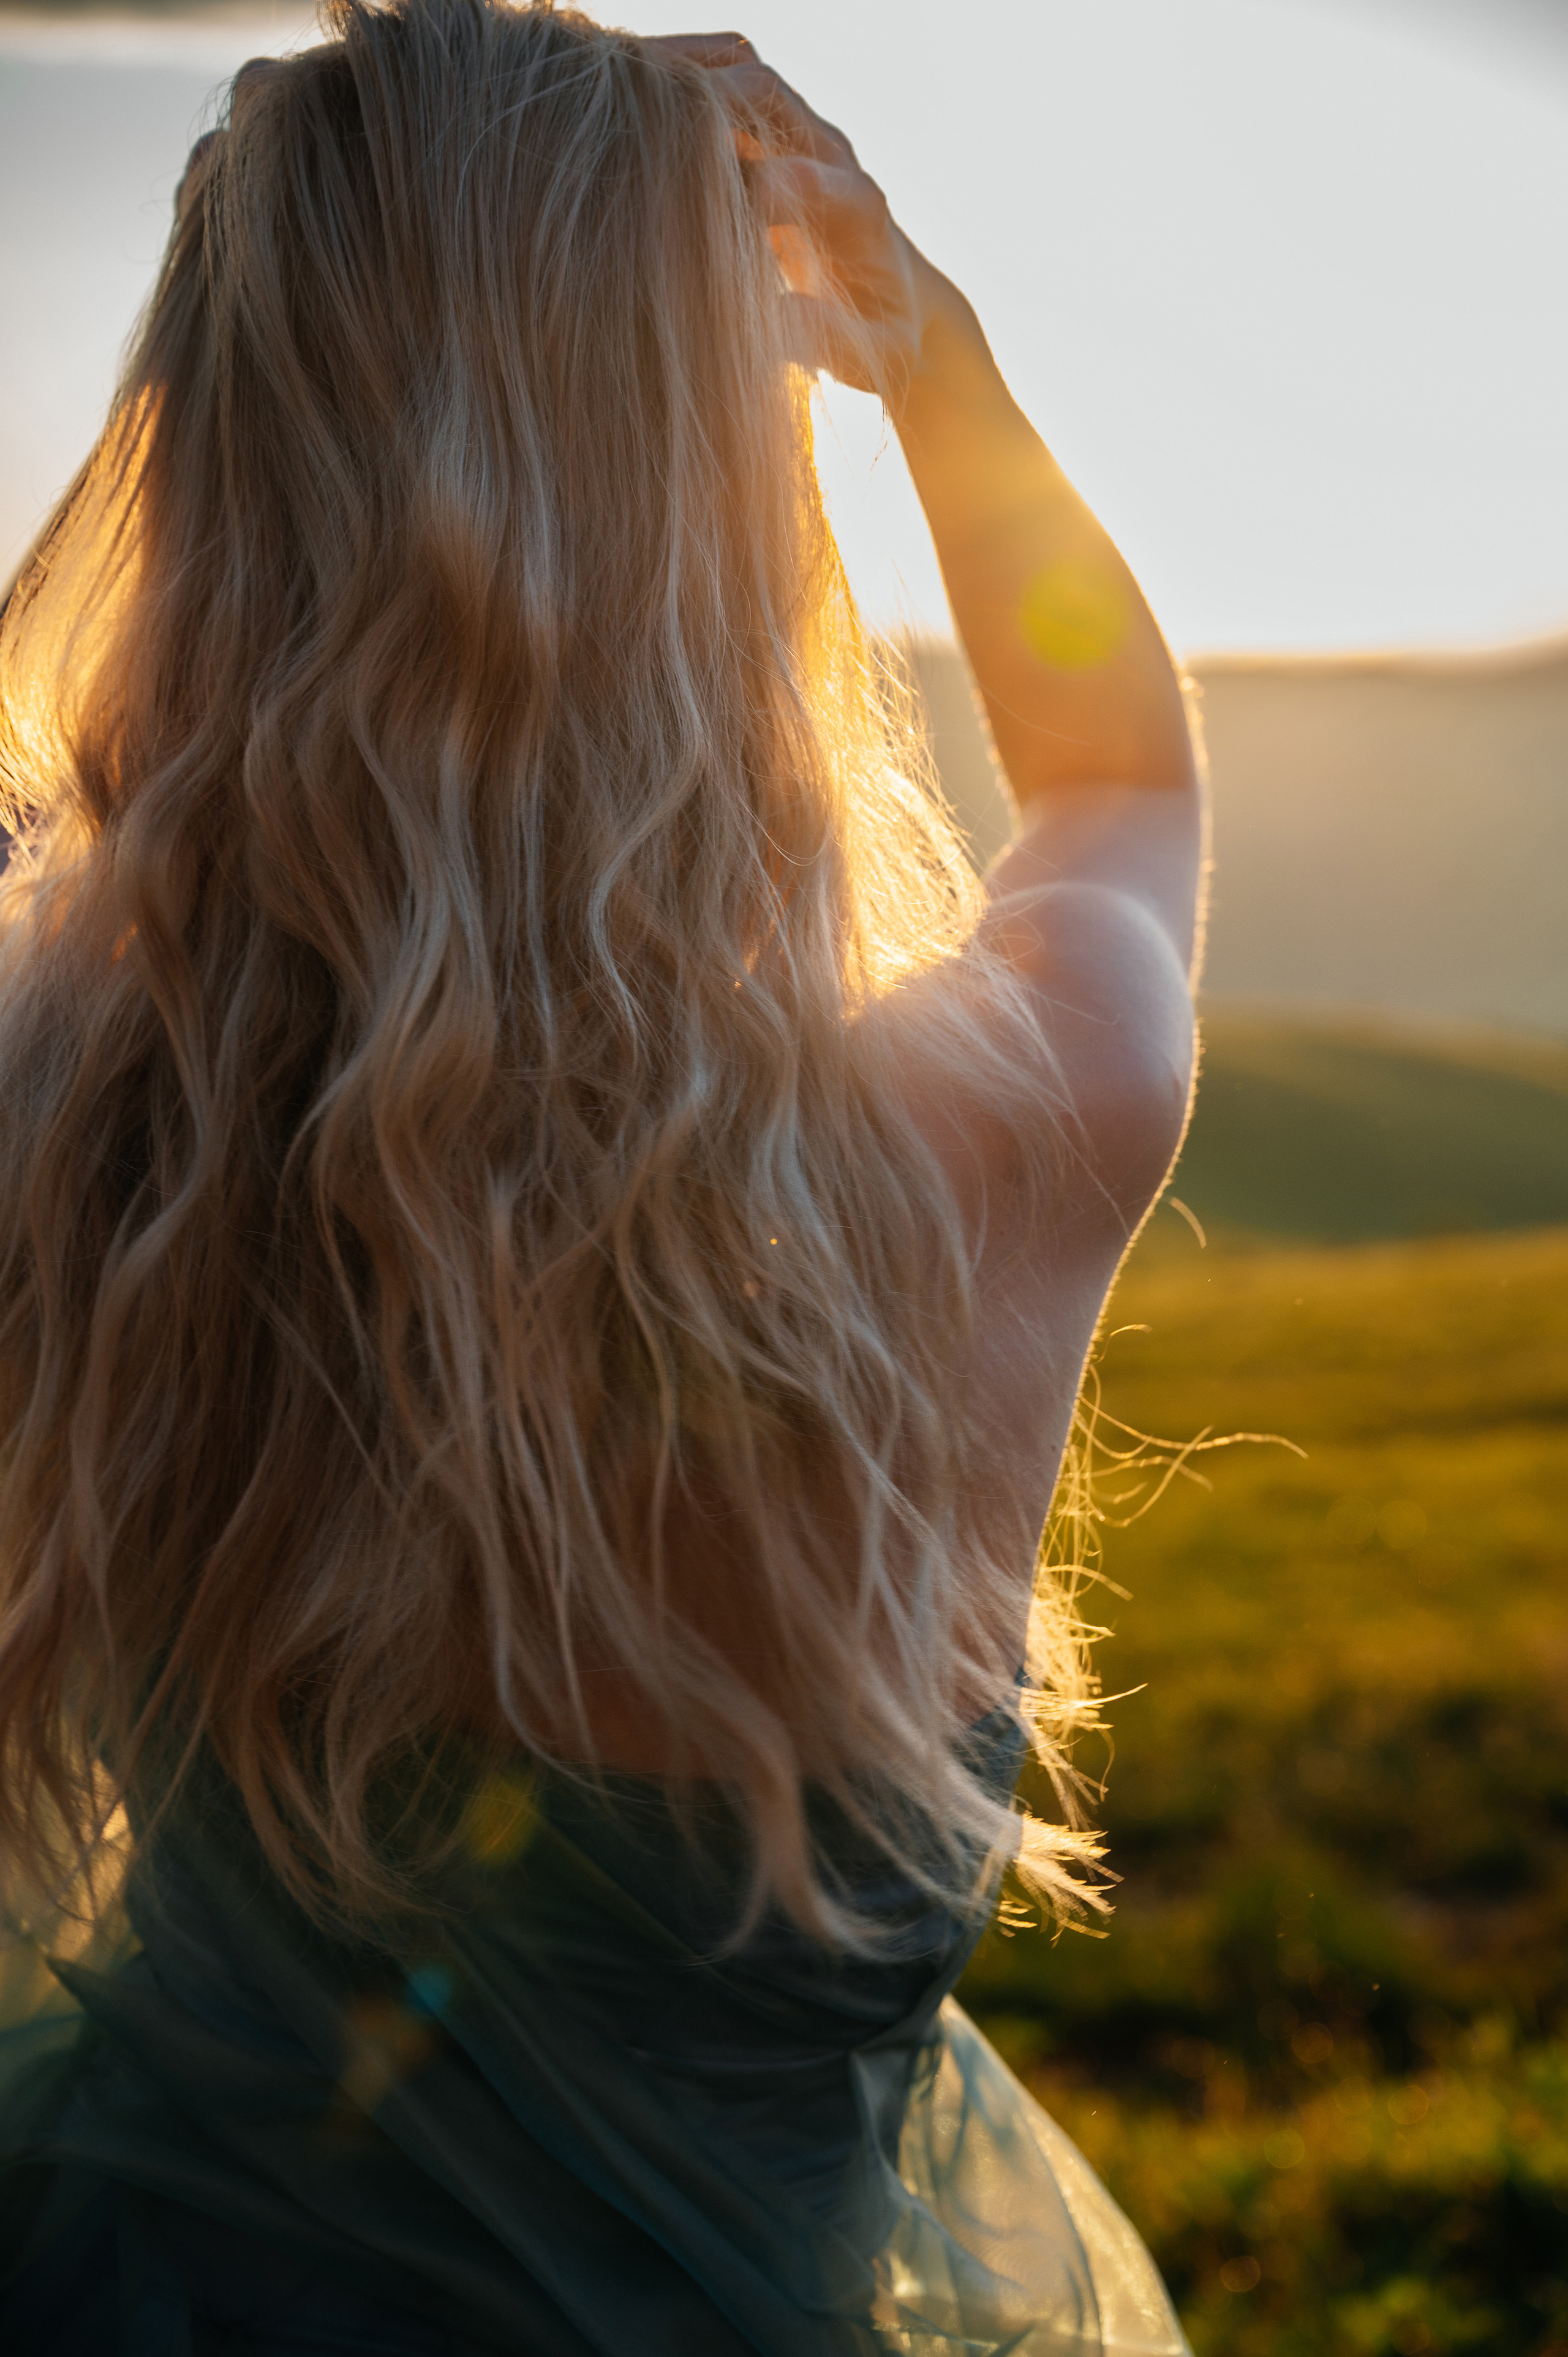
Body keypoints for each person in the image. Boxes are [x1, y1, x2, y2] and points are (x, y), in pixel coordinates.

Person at [0, 4, 1202, 2349]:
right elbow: (1118, 795)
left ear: (216, 463)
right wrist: (937, 364)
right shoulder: (1004, 1122)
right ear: (722, 495)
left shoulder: (73, 1124)